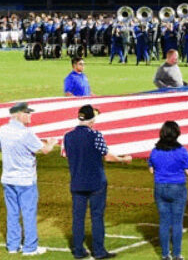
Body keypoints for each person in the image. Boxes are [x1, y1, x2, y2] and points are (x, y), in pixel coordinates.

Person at [63, 105, 133, 259]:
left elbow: (68, 155)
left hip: (77, 182)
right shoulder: (96, 135)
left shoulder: (68, 136)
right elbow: (107, 156)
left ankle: (78, 250)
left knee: (78, 218)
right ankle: (99, 251)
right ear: (92, 119)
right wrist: (123, 159)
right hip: (95, 182)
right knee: (97, 217)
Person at [0, 102, 57, 256]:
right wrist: (51, 143)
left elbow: (0, 148)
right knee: (29, 213)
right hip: (25, 180)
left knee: (12, 213)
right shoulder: (26, 133)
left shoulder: (2, 130)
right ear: (19, 115)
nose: (30, 115)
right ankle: (30, 248)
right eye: (27, 113)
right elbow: (44, 150)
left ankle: (12, 246)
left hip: (8, 178)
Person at [148, 121, 188, 260]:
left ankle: (165, 254)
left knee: (164, 222)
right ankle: (177, 254)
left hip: (160, 186)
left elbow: (151, 169)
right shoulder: (181, 151)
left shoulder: (155, 151)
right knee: (177, 222)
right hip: (177, 187)